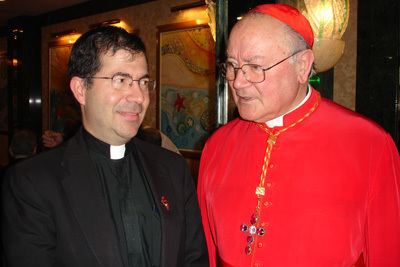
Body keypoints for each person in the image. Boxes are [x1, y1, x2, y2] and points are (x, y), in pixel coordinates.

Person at [197, 4, 400, 267]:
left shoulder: (369, 144)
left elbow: (388, 254)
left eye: (255, 67)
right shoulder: (217, 146)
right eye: (233, 66)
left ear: (302, 66)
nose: (237, 82)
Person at [2, 26, 208, 267]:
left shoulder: (172, 168)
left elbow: (194, 259)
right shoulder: (33, 183)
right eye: (121, 80)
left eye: (143, 82)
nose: (138, 96)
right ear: (81, 89)